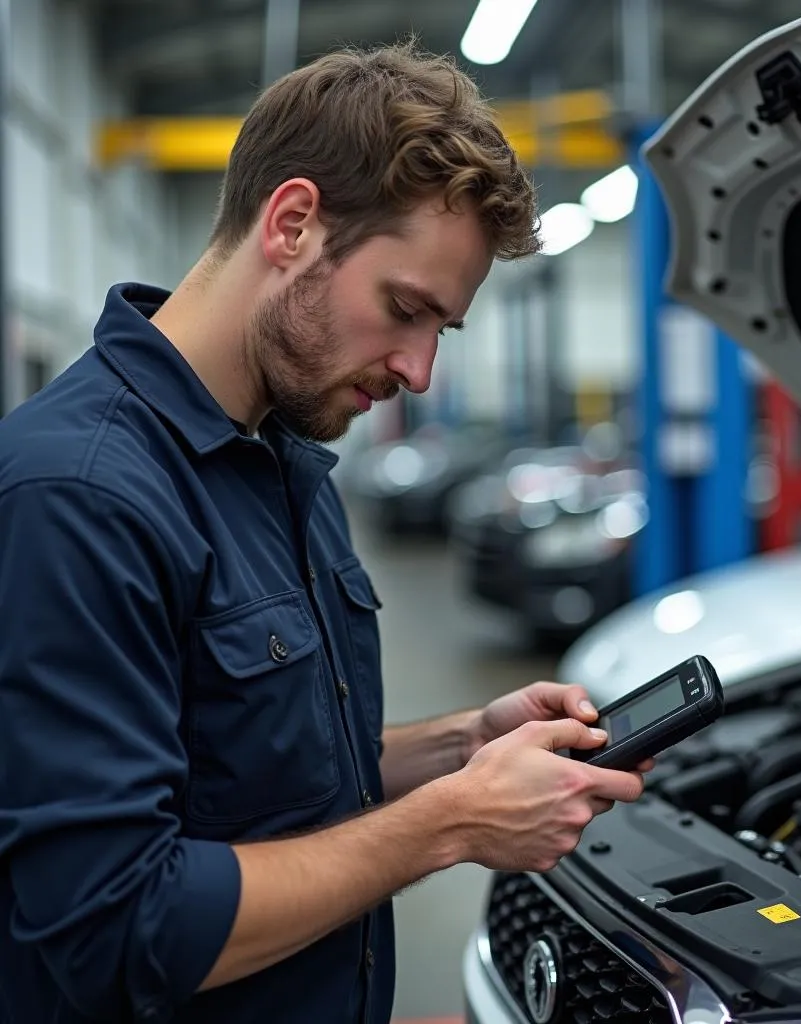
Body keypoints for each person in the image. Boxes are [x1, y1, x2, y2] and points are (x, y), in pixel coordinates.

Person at [0, 41, 651, 1024]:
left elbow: (259, 771)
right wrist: (453, 822)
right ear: (293, 223)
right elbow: (113, 926)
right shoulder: (78, 494)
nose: (421, 370)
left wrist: (462, 744)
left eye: (445, 331)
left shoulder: (287, 461)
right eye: (405, 309)